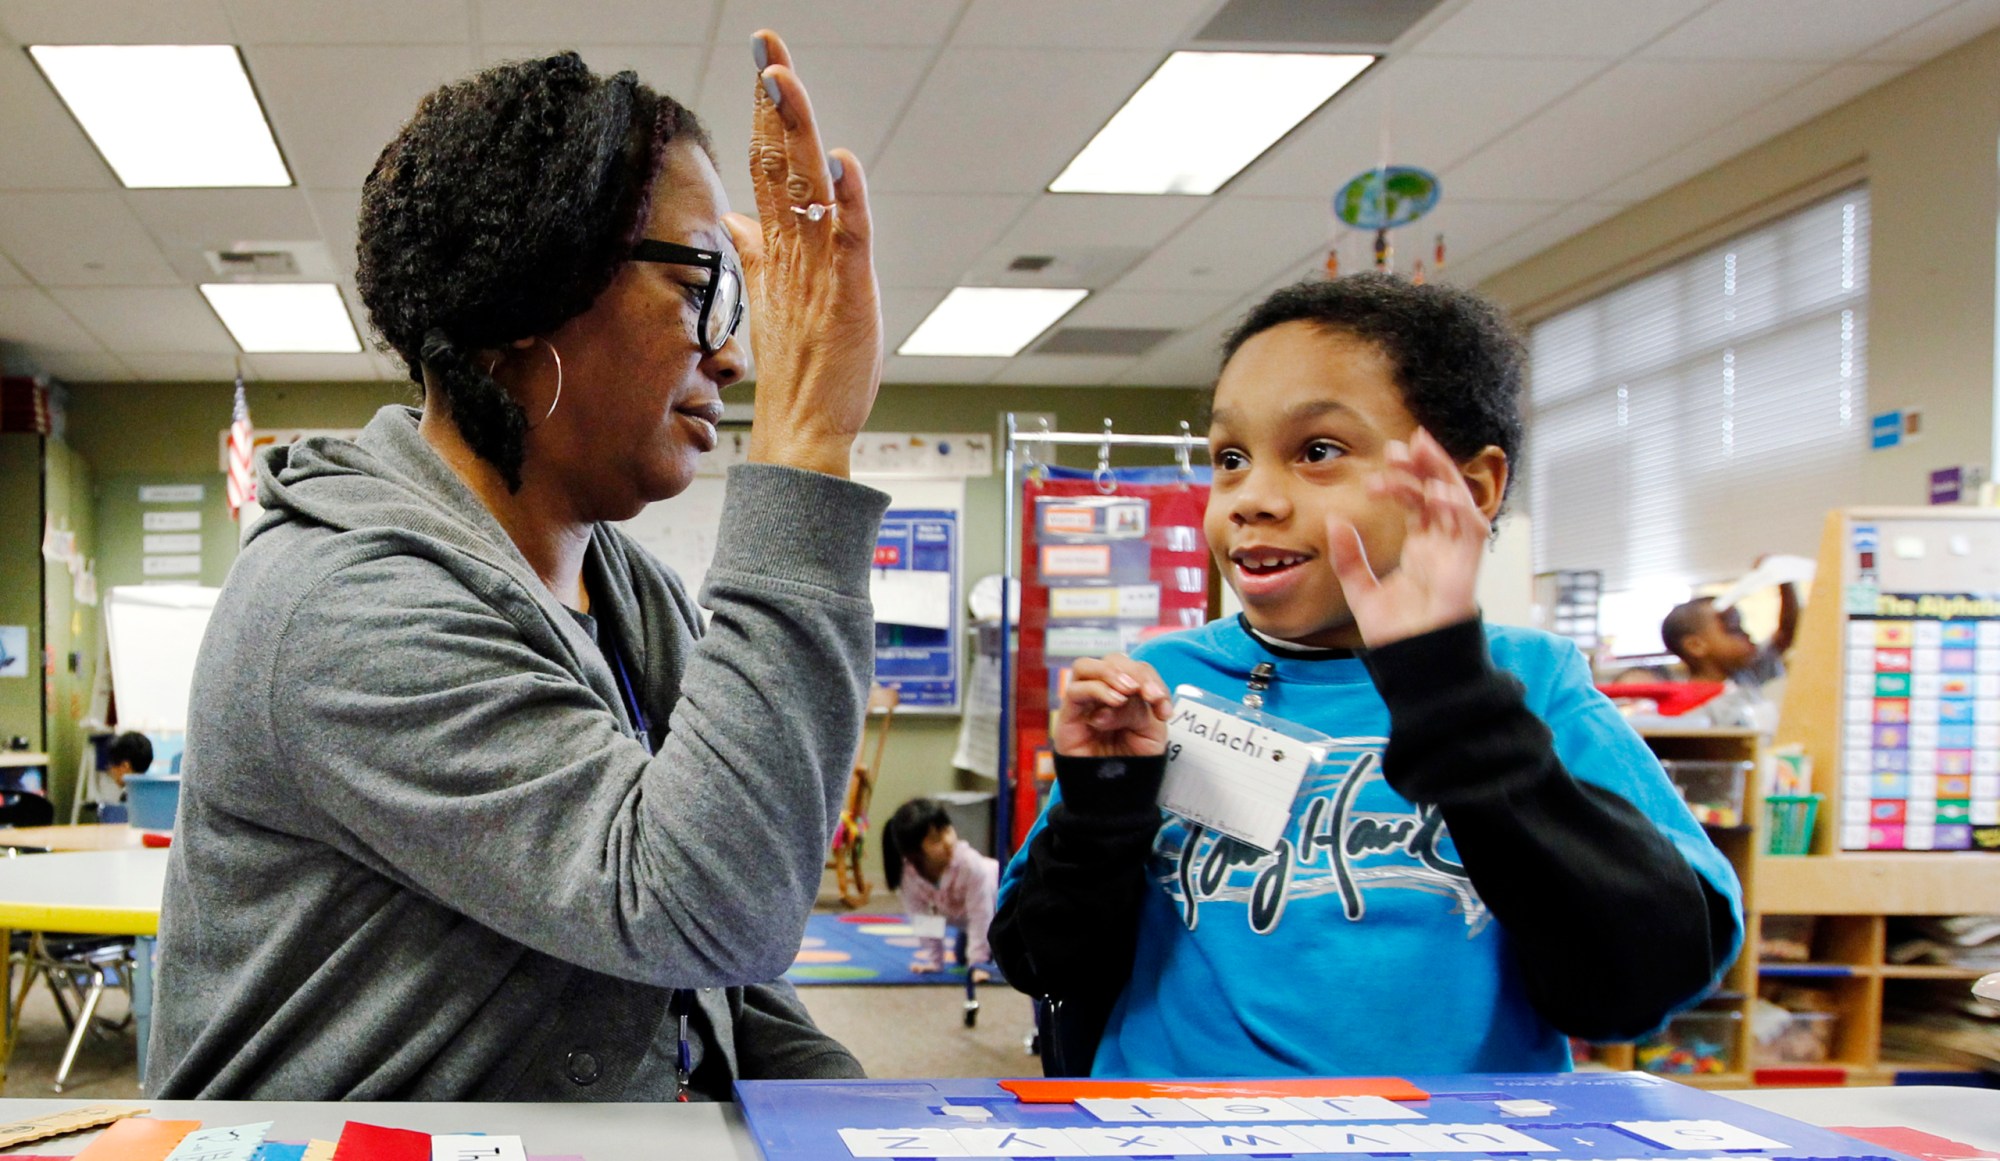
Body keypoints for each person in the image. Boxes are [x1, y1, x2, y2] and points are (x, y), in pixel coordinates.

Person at [150, 32, 887, 1100]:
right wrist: (807, 442)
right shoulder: (342, 607)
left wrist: (858, 1112)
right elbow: (708, 899)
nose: (733, 353)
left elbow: (728, 964)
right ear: (532, 291)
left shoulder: (625, 590)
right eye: (700, 289)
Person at [990, 274, 1744, 1077]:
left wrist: (1450, 692)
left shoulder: (1531, 681)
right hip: (1177, 1131)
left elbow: (1639, 981)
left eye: (1318, 452)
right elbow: (1041, 962)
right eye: (1230, 458)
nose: (1252, 498)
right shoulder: (1169, 679)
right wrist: (1105, 802)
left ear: (1472, 487)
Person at [880, 798, 997, 981]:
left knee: (1007, 957)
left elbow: (981, 915)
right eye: (935, 840)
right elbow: (923, 917)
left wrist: (977, 964)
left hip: (1003, 909)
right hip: (965, 920)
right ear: (916, 852)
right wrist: (934, 960)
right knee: (961, 956)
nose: (948, 841)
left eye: (948, 830)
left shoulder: (970, 865)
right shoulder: (910, 877)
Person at [1662, 582, 1799, 730]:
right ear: (1696, 646)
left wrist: (1783, 582)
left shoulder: (1747, 676)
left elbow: (1786, 633)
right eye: (1734, 629)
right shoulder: (1691, 709)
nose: (1747, 635)